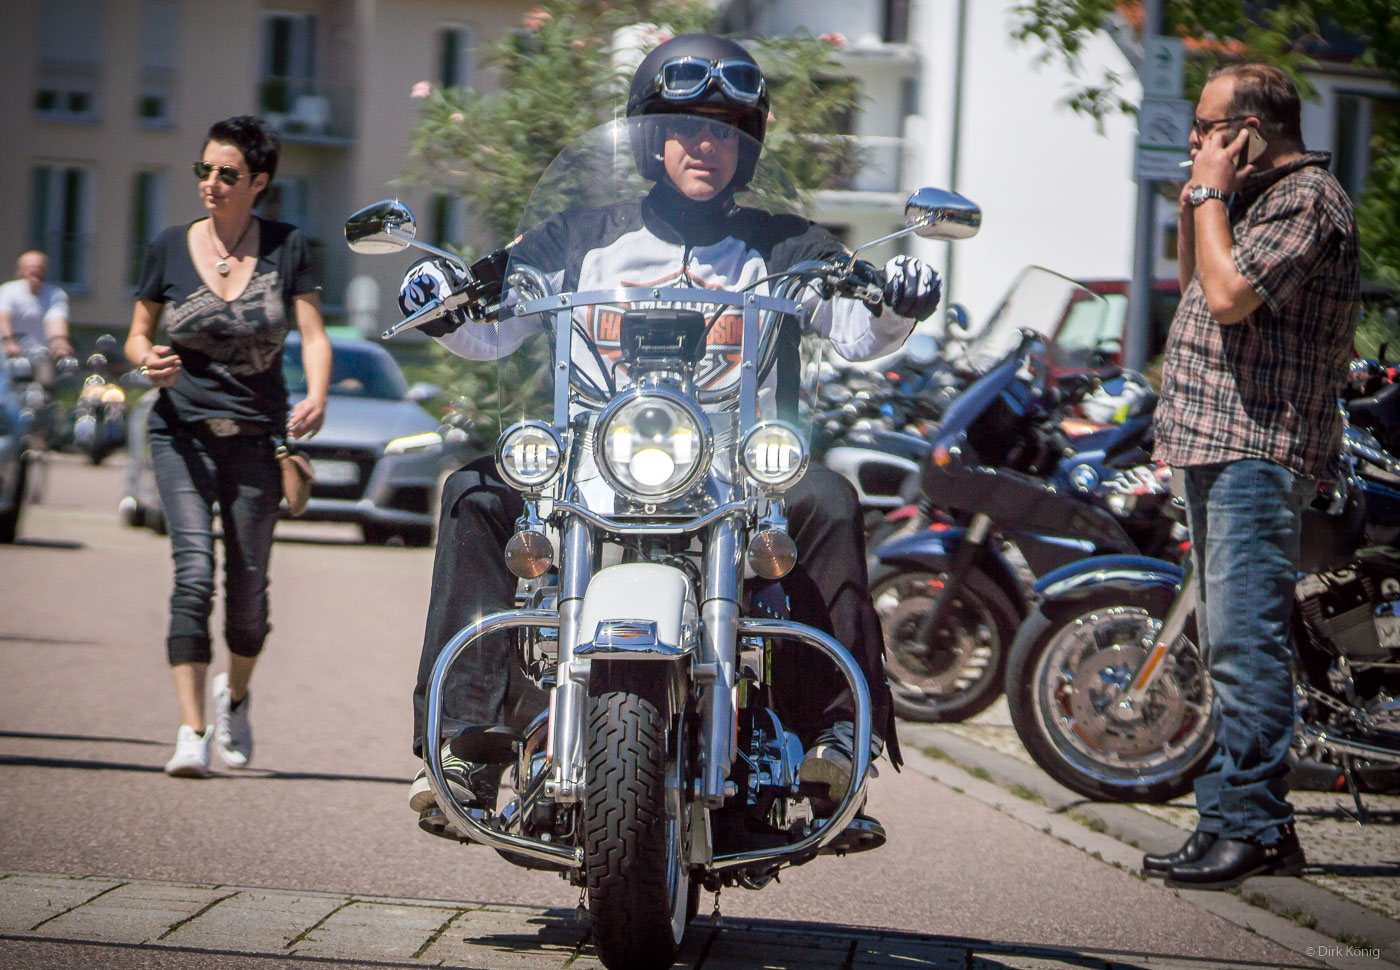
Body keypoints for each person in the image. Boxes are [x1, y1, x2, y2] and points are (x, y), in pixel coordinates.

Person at [400, 33, 941, 829]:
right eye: (686, 129)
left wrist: (896, 303)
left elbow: (857, 332)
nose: (706, 146)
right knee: (474, 494)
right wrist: (446, 306)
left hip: (737, 473)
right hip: (593, 462)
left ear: (747, 148)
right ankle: (465, 744)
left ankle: (834, 741)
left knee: (828, 498)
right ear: (652, 140)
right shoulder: (577, 238)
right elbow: (496, 326)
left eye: (726, 132)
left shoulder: (786, 244)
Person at [1147, 63, 1360, 889]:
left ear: (1251, 131)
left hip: (1258, 449)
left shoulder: (1307, 201)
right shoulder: (1249, 200)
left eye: (1208, 126)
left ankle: (1260, 828)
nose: (1194, 138)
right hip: (1217, 445)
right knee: (1224, 644)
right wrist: (1195, 204)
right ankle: (1226, 820)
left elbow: (1231, 296)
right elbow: (1195, 289)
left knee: (1246, 646)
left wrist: (1210, 194)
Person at [125, 115, 332, 778]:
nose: (210, 183)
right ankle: (191, 732)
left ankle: (235, 696)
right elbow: (138, 333)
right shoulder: (167, 246)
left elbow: (313, 334)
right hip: (179, 432)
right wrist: (147, 360)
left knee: (246, 594)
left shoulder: (287, 246)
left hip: (256, 438)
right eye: (204, 170)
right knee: (192, 575)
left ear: (258, 182)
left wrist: (317, 395)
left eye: (227, 174)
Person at [0, 251, 74, 362]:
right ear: (20, 271)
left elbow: (56, 321)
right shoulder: (8, 290)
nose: (35, 271)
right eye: (30, 267)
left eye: (40, 267)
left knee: (46, 371)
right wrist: (8, 342)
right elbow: (3, 318)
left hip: (39, 354)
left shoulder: (55, 294)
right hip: (7, 354)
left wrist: (59, 344)